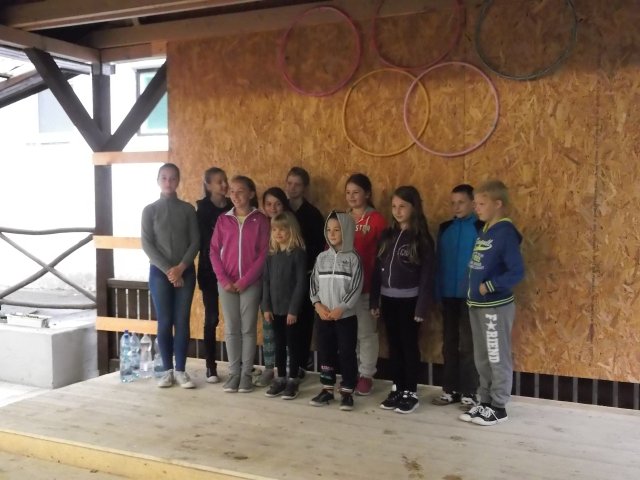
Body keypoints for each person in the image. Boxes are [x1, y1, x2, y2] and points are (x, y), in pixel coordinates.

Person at [459, 180, 524, 426]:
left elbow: (516, 272)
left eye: (481, 204)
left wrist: (491, 285)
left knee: (497, 356)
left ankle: (499, 406)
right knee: (482, 357)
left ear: (498, 204)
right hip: (477, 306)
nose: (476, 208)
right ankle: (485, 401)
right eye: (475, 203)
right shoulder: (485, 230)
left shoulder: (505, 232)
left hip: (495, 306)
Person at [370, 186, 435, 414]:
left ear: (414, 208)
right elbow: (377, 270)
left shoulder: (421, 238)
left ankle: (410, 392)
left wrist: (421, 306)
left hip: (410, 303)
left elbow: (427, 275)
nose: (397, 211)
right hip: (388, 300)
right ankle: (397, 388)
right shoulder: (387, 236)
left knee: (408, 346)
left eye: (403, 207)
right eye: (394, 206)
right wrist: (374, 300)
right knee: (394, 346)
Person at [141, 163, 199, 389]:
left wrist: (180, 268)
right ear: (158, 180)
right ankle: (167, 371)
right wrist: (169, 270)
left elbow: (195, 241)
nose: (168, 182)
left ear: (178, 181)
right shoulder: (150, 210)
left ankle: (181, 370)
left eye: (173, 178)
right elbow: (147, 244)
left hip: (185, 271)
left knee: (182, 320)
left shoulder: (188, 210)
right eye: (164, 178)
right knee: (164, 321)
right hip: (159, 272)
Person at [210, 175, 270, 393]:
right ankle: (234, 373)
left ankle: (246, 375)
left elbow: (264, 254)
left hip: (250, 284)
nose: (235, 195)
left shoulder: (260, 220)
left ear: (251, 193)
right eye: (232, 191)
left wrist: (245, 281)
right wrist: (224, 280)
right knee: (232, 329)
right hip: (226, 284)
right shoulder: (223, 220)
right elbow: (213, 251)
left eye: (240, 191)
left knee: (248, 329)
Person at [432, 184, 483, 407]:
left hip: (471, 296)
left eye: (461, 202)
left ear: (473, 203)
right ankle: (449, 389)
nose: (456, 207)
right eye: (453, 203)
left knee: (468, 345)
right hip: (447, 295)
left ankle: (470, 391)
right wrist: (437, 292)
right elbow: (438, 262)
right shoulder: (445, 228)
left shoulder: (481, 227)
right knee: (449, 343)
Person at [309, 211, 362, 411]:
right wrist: (317, 305)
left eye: (337, 230)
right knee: (325, 351)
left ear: (346, 231)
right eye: (329, 230)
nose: (332, 234)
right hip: (324, 316)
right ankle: (327, 388)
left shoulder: (353, 259)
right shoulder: (321, 258)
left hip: (345, 317)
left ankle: (347, 391)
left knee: (347, 352)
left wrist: (342, 307)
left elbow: (356, 286)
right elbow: (313, 284)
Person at [345, 173, 387, 395]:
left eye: (356, 192)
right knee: (349, 335)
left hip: (367, 287)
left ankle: (366, 375)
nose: (351, 197)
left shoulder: (377, 220)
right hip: (344, 289)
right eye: (348, 192)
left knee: (366, 333)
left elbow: (384, 255)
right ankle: (351, 372)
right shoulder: (342, 219)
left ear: (367, 194)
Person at [261, 211, 307, 400]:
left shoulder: (297, 254)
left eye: (282, 229)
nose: (278, 233)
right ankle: (280, 378)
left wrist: (293, 310)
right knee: (279, 344)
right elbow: (265, 282)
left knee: (293, 345)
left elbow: (301, 283)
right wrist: (266, 307)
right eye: (274, 229)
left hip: (291, 312)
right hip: (275, 310)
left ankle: (293, 379)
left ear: (291, 230)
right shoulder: (271, 255)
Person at [285, 167, 325, 375]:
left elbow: (319, 248)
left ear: (305, 188)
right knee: (285, 320)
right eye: (289, 183)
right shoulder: (281, 210)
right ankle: (286, 364)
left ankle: (301, 363)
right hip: (283, 276)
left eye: (297, 184)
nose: (292, 188)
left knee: (304, 321)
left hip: (307, 274)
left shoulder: (313, 214)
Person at [254, 187, 293, 388]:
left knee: (286, 333)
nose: (273, 208)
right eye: (268, 204)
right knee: (268, 329)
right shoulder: (260, 224)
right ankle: (269, 368)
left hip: (284, 290)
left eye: (277, 204)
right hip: (263, 283)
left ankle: (287, 370)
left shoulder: (289, 226)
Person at [196, 167, 231, 384]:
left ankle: (239, 364)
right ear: (208, 185)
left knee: (235, 319)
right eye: (219, 181)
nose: (224, 185)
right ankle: (211, 365)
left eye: (225, 180)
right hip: (209, 270)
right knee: (212, 318)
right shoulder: (201, 210)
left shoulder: (232, 207)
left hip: (232, 270)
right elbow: (200, 241)